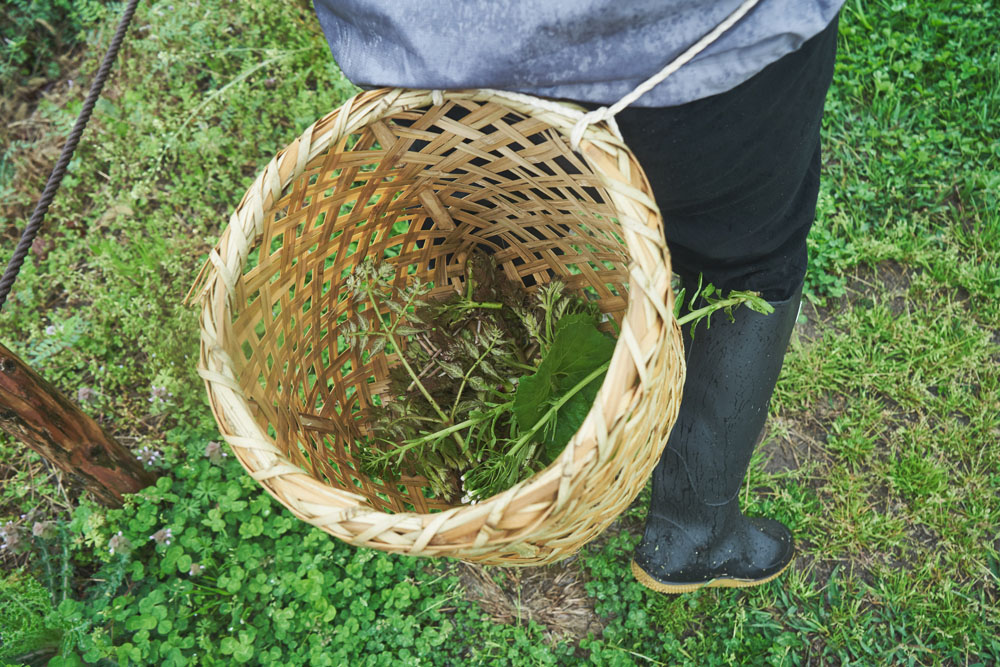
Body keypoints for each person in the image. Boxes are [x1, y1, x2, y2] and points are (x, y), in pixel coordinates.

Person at [313, 0, 843, 593]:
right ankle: (695, 532)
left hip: (436, 75)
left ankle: (561, 469)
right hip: (686, 65)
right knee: (746, 265)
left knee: (515, 248)